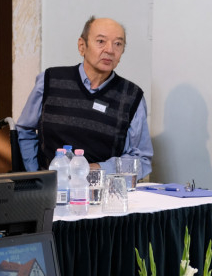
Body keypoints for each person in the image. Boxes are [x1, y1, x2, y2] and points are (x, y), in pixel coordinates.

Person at [15, 16, 153, 177]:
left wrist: (99, 168)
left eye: (118, 44)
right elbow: (25, 130)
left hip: (102, 187)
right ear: (82, 46)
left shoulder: (132, 96)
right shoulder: (50, 80)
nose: (110, 50)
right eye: (101, 41)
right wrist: (34, 176)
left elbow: (141, 160)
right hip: (51, 186)